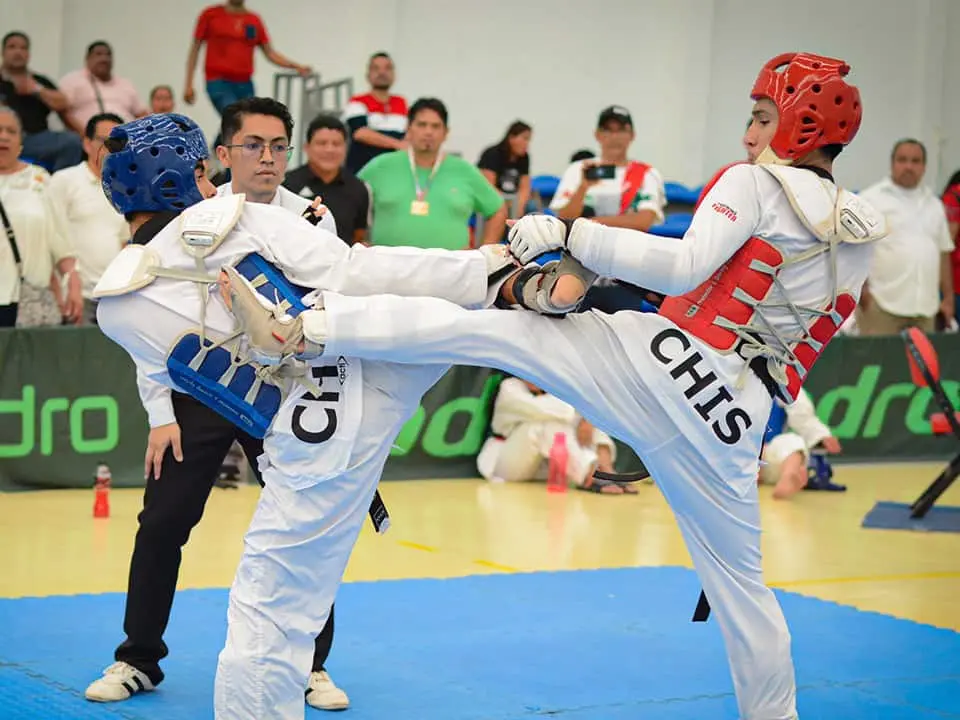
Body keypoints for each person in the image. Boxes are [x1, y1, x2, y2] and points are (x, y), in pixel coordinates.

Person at [228, 52, 885, 720]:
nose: (749, 133)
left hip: (665, 365)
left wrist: (575, 234)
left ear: (798, 124)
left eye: (761, 116)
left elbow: (685, 265)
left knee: (485, 330)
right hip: (734, 426)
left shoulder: (753, 183)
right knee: (746, 593)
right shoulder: (861, 229)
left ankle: (306, 327)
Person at [90, 112, 581, 720]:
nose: (216, 180)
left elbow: (171, 361)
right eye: (203, 169)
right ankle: (511, 287)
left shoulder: (114, 307)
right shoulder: (245, 218)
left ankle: (304, 667)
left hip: (290, 420)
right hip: (346, 378)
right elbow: (363, 271)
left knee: (274, 572)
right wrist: (483, 262)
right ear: (189, 172)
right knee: (448, 334)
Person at [82, 101, 345, 710]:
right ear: (224, 154)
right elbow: (146, 328)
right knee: (162, 523)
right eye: (253, 145)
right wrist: (160, 415)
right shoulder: (191, 213)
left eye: (280, 145)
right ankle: (137, 659)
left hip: (284, 388)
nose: (269, 158)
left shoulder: (311, 218)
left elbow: (331, 307)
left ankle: (311, 664)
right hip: (198, 389)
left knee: (306, 523)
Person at [0, 104, 82, 327]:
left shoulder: (39, 180)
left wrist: (73, 283)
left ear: (20, 143)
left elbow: (61, 240)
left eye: (11, 131)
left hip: (27, 300)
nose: (4, 137)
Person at [476, 377, 631, 494]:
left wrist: (587, 420)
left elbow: (573, 412)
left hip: (543, 467)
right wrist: (582, 410)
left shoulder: (553, 390)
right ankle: (590, 477)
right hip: (506, 463)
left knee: (589, 423)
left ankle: (608, 472)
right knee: (543, 427)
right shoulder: (510, 387)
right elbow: (563, 411)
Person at [46, 112, 129, 325]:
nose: (110, 147)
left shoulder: (125, 188)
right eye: (104, 141)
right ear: (86, 143)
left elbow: (125, 243)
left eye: (117, 142)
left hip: (115, 297)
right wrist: (67, 283)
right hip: (76, 296)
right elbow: (53, 234)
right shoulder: (64, 180)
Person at [284, 114, 370, 246]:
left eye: (336, 144)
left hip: (341, 264)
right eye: (321, 143)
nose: (329, 149)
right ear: (306, 147)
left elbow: (358, 237)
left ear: (345, 148)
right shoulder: (287, 184)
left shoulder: (358, 188)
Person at [759, 388, 843, 499]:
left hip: (766, 456)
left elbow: (802, 417)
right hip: (735, 457)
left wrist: (821, 435)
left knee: (792, 441)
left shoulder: (780, 381)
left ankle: (789, 476)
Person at [477, 121, 532, 217]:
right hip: (493, 198)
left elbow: (525, 187)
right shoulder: (492, 154)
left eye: (529, 140)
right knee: (497, 211)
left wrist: (519, 204)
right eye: (524, 139)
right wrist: (507, 205)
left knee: (532, 208)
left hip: (514, 200)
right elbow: (488, 186)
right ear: (511, 138)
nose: (527, 144)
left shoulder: (524, 158)